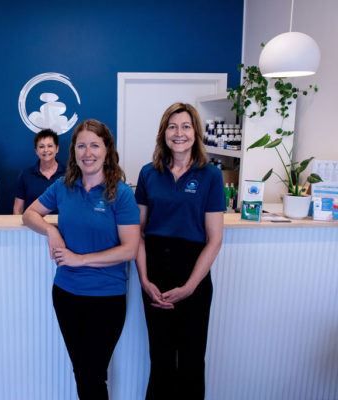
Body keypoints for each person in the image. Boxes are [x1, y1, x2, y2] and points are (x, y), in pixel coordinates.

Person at [23, 119, 140, 400]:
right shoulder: (63, 186)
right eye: (81, 146)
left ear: (107, 151)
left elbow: (130, 249)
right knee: (83, 372)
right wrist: (50, 230)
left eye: (95, 146)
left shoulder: (121, 194)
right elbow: (29, 214)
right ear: (73, 151)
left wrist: (80, 260)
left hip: (106, 299)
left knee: (92, 374)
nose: (88, 153)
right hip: (66, 295)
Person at [134, 103, 225, 399]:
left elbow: (214, 239)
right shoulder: (148, 174)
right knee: (160, 360)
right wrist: (145, 281)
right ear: (163, 133)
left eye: (186, 126)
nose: (179, 133)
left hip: (193, 277)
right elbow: (138, 233)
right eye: (172, 127)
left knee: (191, 362)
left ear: (196, 132)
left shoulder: (211, 175)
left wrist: (189, 287)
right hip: (155, 277)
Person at [13, 128, 66, 214]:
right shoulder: (25, 175)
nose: (46, 150)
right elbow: (18, 210)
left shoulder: (69, 174)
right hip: (32, 222)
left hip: (62, 222)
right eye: (41, 147)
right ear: (36, 151)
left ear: (57, 149)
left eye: (50, 146)